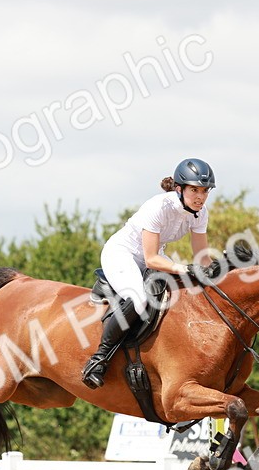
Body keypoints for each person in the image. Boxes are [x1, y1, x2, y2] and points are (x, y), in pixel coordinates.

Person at [81, 157, 215, 389]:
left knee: (181, 294)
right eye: (194, 190)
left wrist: (217, 274)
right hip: (122, 254)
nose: (200, 197)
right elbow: (151, 258)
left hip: (152, 257)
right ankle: (99, 359)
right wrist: (184, 268)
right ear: (179, 188)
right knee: (140, 298)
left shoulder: (200, 214)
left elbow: (202, 258)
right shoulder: (159, 207)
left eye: (205, 191)